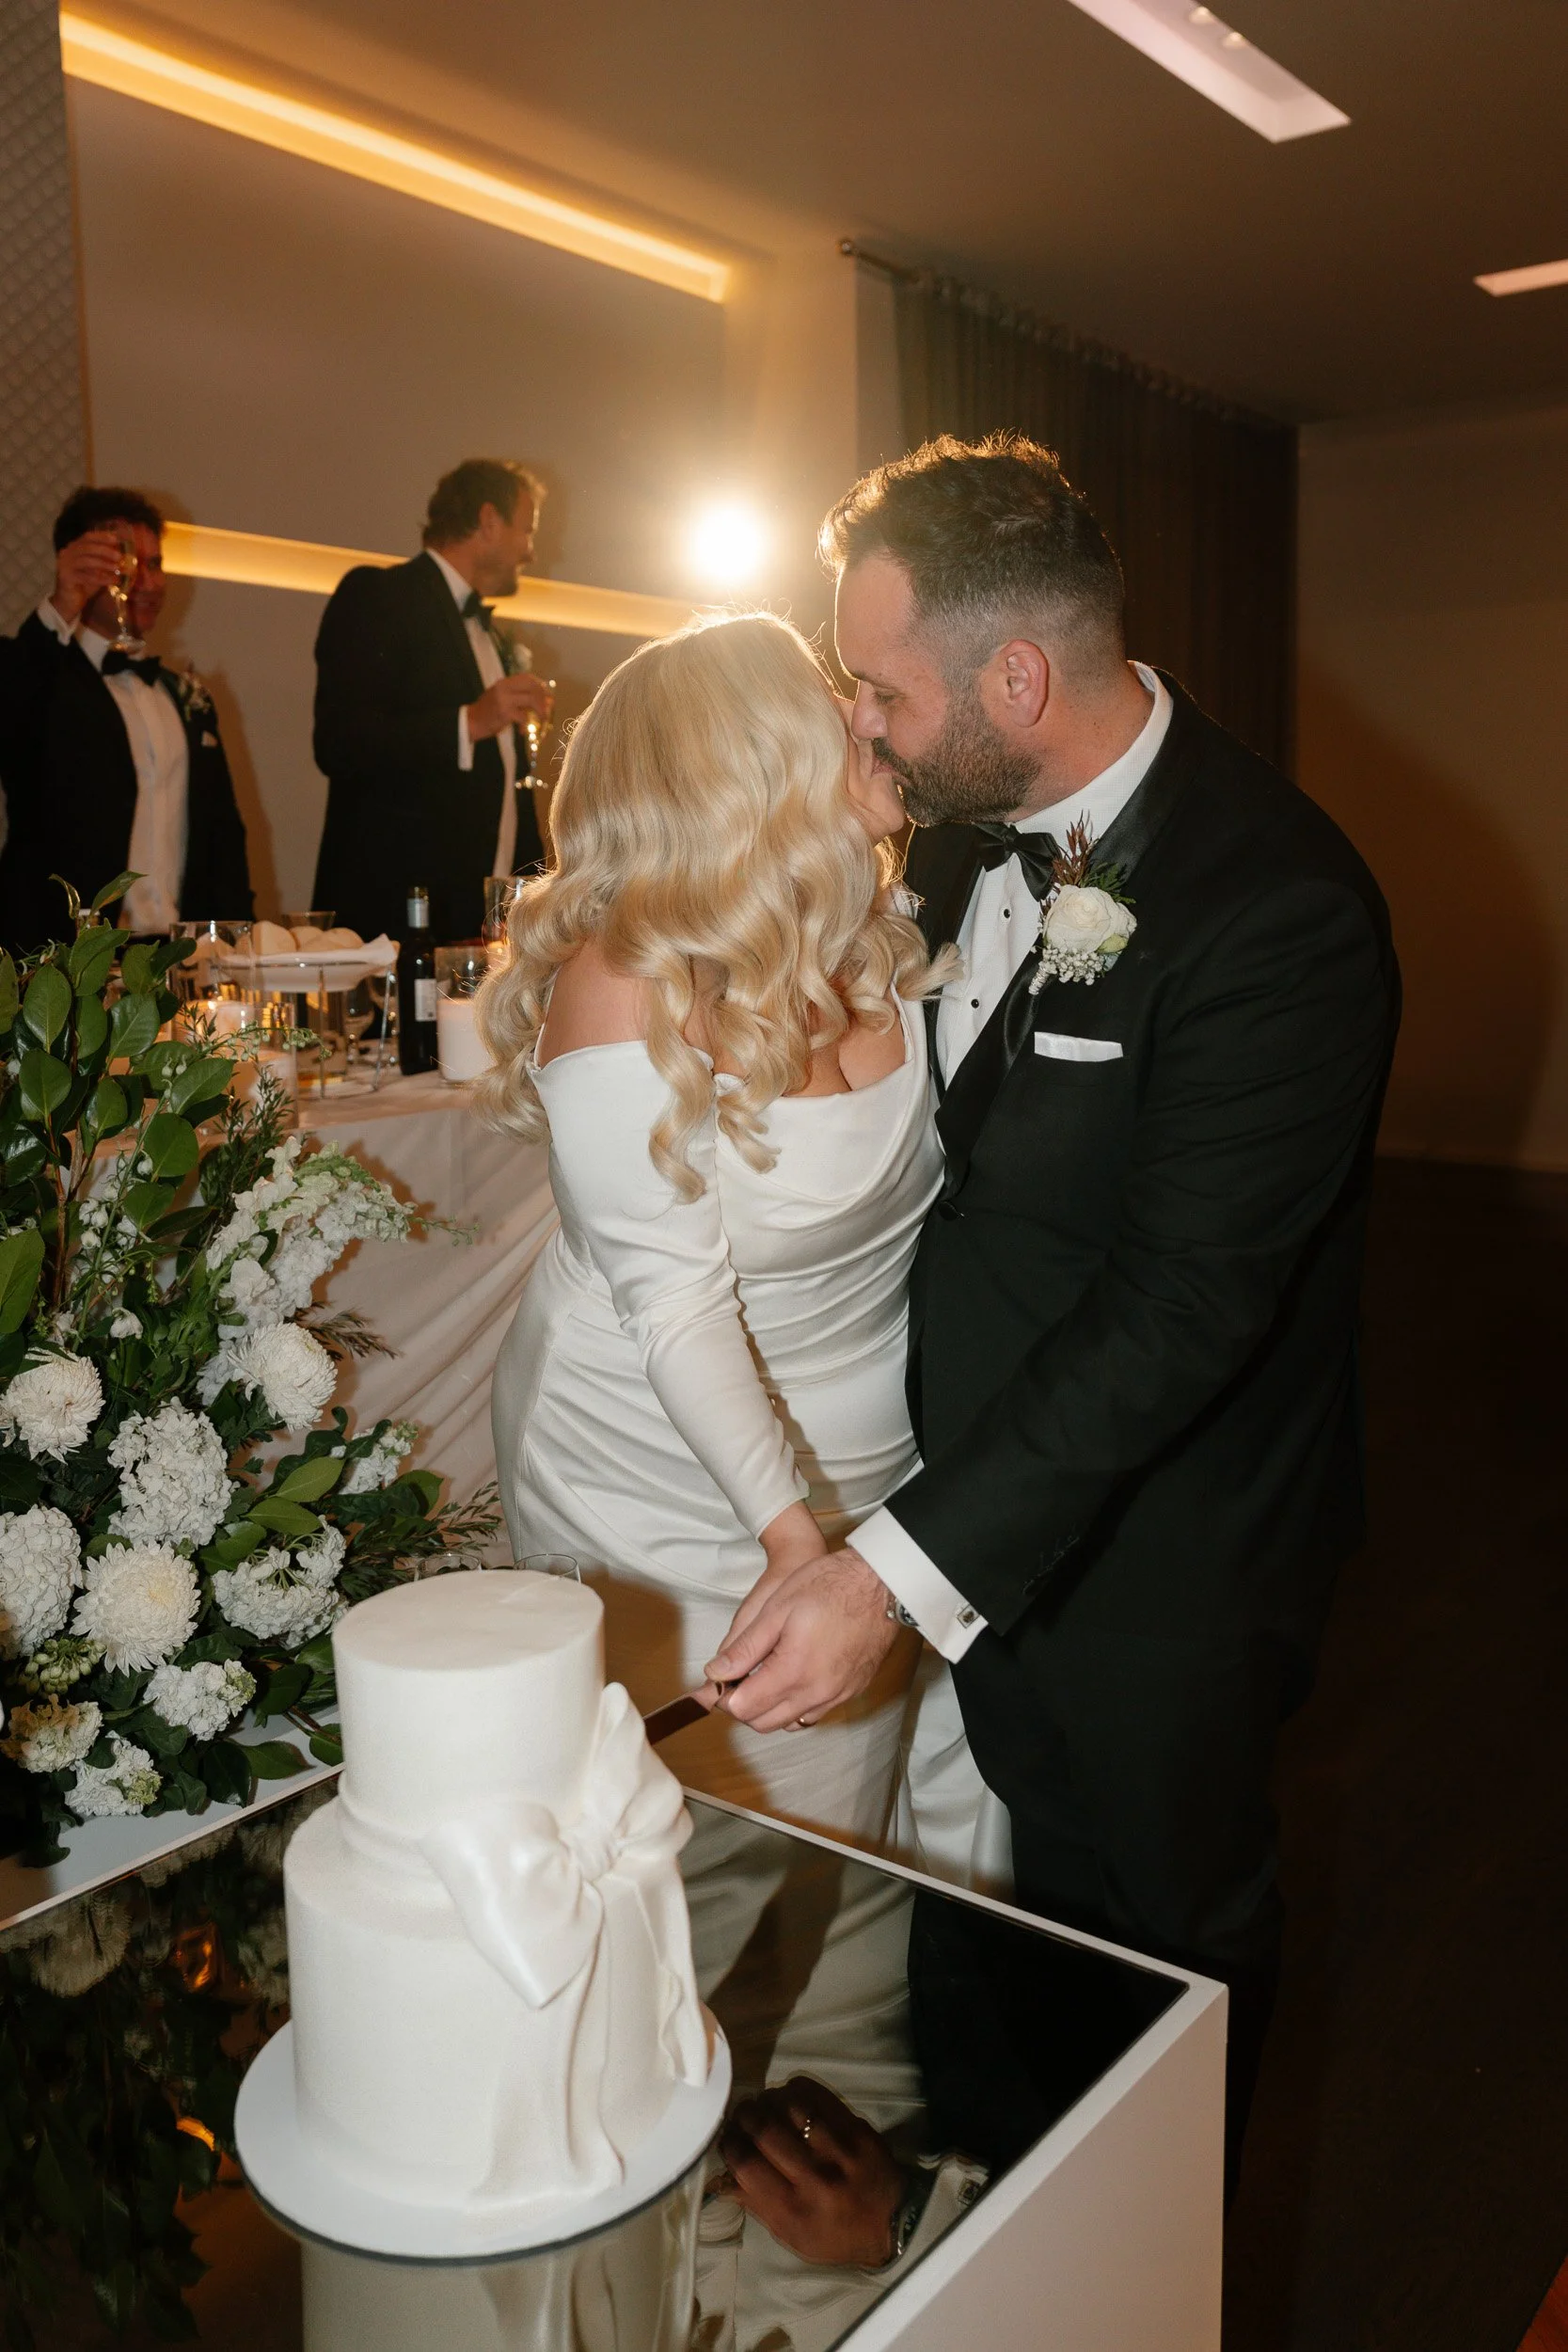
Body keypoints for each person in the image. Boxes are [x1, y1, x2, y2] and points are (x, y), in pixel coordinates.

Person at [707, 434, 1401, 2191]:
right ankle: (989, 2232)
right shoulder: (950, 851)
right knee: (999, 1923)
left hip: (1167, 1561)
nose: (858, 727)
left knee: (1162, 1948)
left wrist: (891, 1574)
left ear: (1016, 678)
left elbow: (1180, 1306)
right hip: (973, 1517)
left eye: (881, 691)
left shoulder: (1280, 907)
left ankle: (1145, 2263)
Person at [480, 612, 1002, 1869]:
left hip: (881, 1452)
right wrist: (791, 1537)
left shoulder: (879, 940)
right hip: (660, 1474)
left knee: (893, 1826)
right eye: (830, 699)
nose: (863, 716)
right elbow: (673, 1305)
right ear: (750, 760)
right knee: (725, 1846)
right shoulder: (622, 988)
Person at [311, 458, 554, 946]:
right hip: (397, 925)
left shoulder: (497, 641)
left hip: (482, 929)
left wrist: (538, 901)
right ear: (488, 522)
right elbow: (340, 744)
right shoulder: (380, 595)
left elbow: (509, 791)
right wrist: (467, 722)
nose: (530, 551)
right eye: (526, 531)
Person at [0, 485, 253, 948]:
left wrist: (239, 945)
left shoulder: (183, 694)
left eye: (155, 565)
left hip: (179, 956)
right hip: (65, 961)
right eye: (127, 565)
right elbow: (11, 714)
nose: (148, 583)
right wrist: (60, 605)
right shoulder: (41, 679)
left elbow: (223, 836)